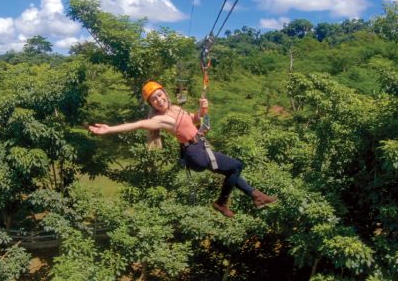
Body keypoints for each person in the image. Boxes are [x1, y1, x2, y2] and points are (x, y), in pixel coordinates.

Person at [89, 81, 277, 217]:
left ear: (165, 94)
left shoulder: (177, 109)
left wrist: (203, 109)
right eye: (154, 100)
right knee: (236, 166)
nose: (159, 100)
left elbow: (195, 119)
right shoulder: (159, 119)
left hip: (199, 148)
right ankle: (222, 203)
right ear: (151, 104)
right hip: (195, 153)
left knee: (232, 170)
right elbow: (138, 124)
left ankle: (257, 196)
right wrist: (109, 129)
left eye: (160, 95)